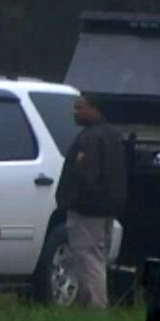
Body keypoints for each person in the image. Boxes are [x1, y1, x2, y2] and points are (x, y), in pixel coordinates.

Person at [55, 93, 126, 309]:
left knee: (87, 256)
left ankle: (96, 307)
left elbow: (86, 175)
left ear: (95, 109)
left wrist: (74, 195)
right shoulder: (113, 135)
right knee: (96, 256)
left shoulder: (90, 138)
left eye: (80, 108)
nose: (75, 113)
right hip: (106, 207)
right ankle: (89, 304)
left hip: (87, 209)